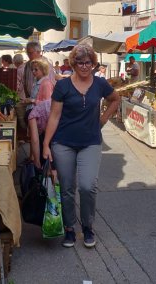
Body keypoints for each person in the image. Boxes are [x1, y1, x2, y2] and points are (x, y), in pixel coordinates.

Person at [42, 44, 120, 249]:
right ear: (73, 64)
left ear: (93, 63)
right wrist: (45, 144)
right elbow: (54, 116)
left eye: (88, 62)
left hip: (91, 142)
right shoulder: (63, 86)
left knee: (88, 186)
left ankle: (87, 225)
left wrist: (102, 120)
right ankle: (69, 227)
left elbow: (115, 100)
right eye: (80, 62)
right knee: (67, 188)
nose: (84, 66)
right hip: (63, 142)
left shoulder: (101, 84)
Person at [16, 42, 57, 136]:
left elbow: (48, 97)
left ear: (38, 52)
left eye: (30, 53)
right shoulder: (28, 65)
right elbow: (25, 81)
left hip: (41, 108)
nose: (28, 55)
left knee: (39, 136)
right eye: (27, 53)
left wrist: (33, 100)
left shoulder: (46, 65)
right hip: (32, 104)